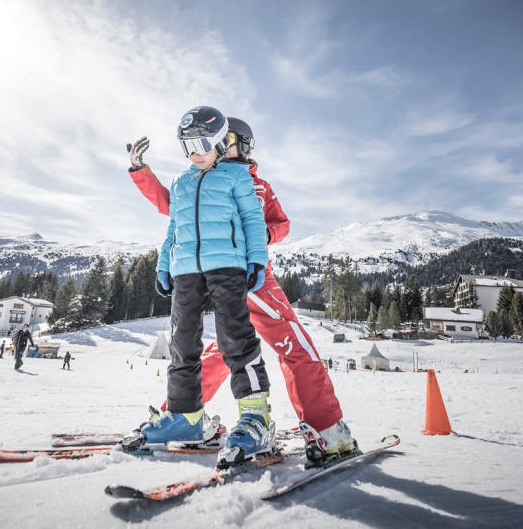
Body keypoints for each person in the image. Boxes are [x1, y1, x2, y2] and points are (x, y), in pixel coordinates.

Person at [126, 115, 355, 461]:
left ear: (242, 144)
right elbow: (172, 210)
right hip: (211, 275)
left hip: (253, 278)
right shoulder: (199, 177)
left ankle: (325, 428)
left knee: (289, 346)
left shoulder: (255, 183)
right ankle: (183, 415)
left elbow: (281, 224)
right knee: (218, 351)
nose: (217, 145)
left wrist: (262, 238)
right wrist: (142, 172)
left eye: (227, 139)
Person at [124, 106, 272, 467]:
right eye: (187, 145)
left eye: (204, 143)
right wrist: (164, 265)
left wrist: (257, 260)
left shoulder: (237, 177)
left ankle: (256, 419)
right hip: (186, 271)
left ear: (222, 142)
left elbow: (253, 218)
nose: (195, 152)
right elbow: (174, 227)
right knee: (181, 343)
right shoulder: (181, 182)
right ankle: (185, 418)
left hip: (227, 266)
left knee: (236, 338)